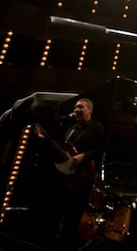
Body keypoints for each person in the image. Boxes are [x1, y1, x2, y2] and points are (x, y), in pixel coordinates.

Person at [37, 98, 104, 251]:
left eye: (81, 107)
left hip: (82, 177)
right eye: (75, 107)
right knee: (54, 212)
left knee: (72, 218)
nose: (77, 110)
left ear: (90, 110)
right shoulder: (71, 129)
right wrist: (45, 140)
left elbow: (100, 149)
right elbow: (63, 151)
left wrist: (83, 156)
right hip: (64, 175)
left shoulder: (96, 127)